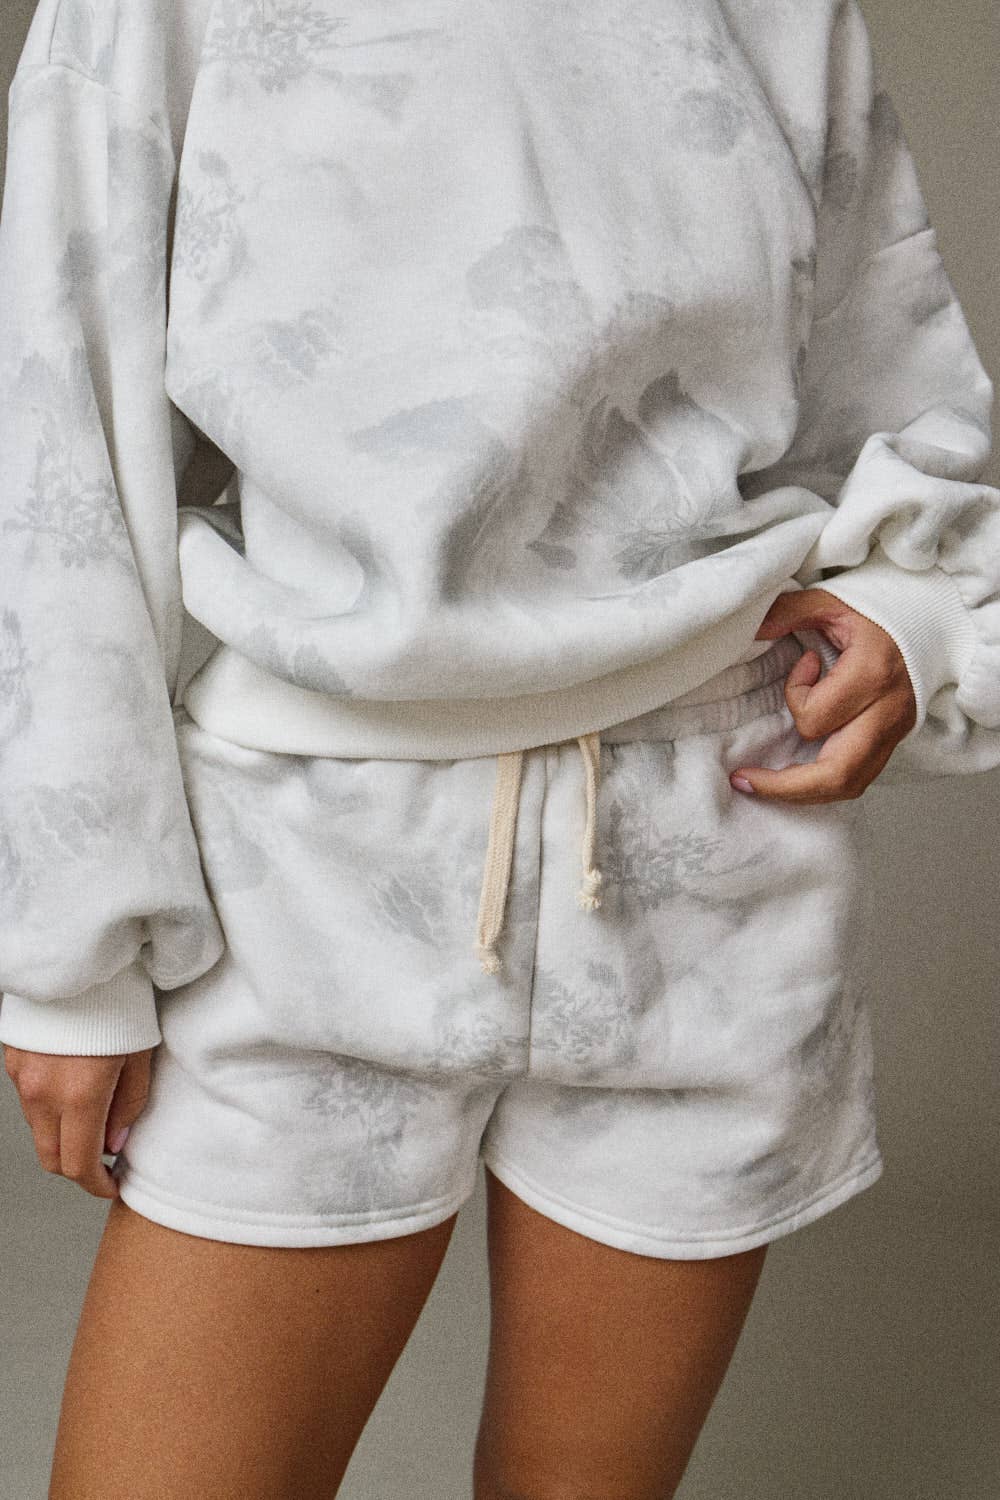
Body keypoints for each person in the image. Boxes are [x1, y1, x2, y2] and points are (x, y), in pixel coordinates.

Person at [1, 0, 998, 1495]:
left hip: (712, 848)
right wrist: (68, 952)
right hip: (306, 874)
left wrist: (923, 617)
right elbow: (57, 422)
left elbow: (883, 364)